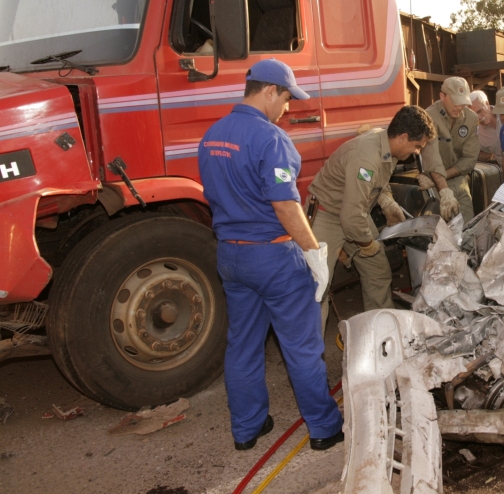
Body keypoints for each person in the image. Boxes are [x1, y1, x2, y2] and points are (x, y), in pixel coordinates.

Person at [198, 58, 343, 452]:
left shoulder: (212, 135)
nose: (288, 107)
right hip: (274, 258)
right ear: (268, 91)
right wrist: (314, 253)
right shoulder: (271, 139)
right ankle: (325, 428)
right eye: (286, 97)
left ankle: (247, 428)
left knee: (242, 345)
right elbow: (286, 206)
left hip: (230, 256)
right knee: (302, 347)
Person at [307, 105, 436, 333]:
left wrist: (386, 200)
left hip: (355, 211)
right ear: (403, 137)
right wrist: (367, 244)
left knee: (378, 272)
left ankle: (381, 335)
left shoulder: (386, 144)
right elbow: (351, 216)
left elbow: (375, 185)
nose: (417, 152)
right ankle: (310, 356)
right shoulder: (366, 159)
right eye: (417, 146)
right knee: (317, 287)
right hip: (328, 214)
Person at [418, 76, 480, 223]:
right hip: (435, 180)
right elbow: (432, 158)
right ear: (442, 96)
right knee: (440, 232)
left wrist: (442, 177)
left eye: (463, 102)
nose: (459, 107)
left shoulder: (471, 119)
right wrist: (444, 190)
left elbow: (470, 159)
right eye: (455, 101)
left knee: (468, 229)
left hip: (458, 179)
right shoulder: (428, 117)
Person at [469, 90, 502, 165]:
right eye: (473, 115)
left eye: (480, 111)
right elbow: (475, 154)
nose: (478, 117)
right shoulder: (477, 133)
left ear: (487, 103)